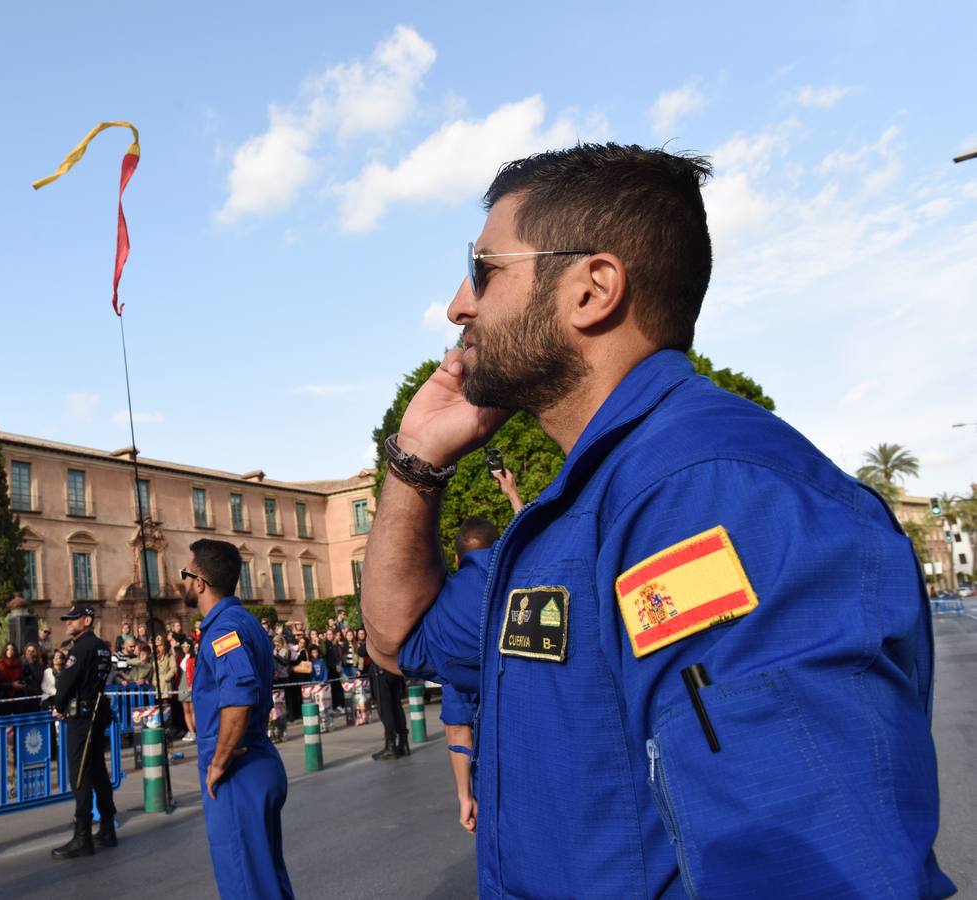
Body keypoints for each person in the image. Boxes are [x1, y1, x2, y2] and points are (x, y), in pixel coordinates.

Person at [361, 143, 954, 898]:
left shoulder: (716, 500)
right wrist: (415, 460)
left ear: (593, 289)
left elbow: (814, 867)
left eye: (486, 270)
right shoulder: (574, 516)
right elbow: (398, 637)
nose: (457, 306)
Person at [181, 539, 293, 899]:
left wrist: (219, 762)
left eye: (185, 574)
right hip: (255, 762)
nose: (181, 582)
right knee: (266, 881)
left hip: (238, 772)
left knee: (245, 885)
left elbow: (239, 698)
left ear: (199, 582)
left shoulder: (224, 630)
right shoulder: (240, 620)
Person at [440, 516, 500, 836]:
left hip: (493, 777)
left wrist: (464, 795)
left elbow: (458, 729)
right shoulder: (527, 587)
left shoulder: (448, 613)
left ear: (456, 559)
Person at [49, 603, 117, 860]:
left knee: (80, 774)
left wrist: (57, 704)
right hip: (96, 713)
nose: (68, 622)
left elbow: (67, 679)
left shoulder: (81, 648)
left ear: (87, 620)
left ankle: (82, 836)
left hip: (81, 717)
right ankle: (108, 828)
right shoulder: (101, 647)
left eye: (73, 618)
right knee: (98, 770)